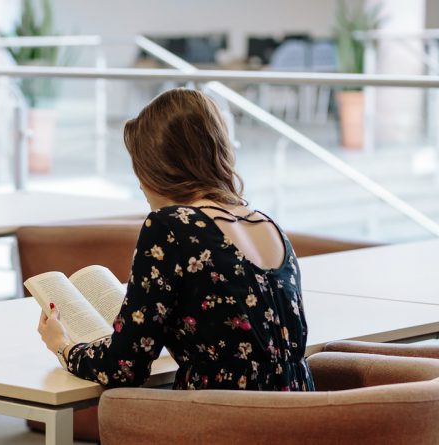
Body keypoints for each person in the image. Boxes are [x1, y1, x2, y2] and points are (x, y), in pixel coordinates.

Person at [38, 88, 314, 392]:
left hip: (228, 418)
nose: (140, 185)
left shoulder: (170, 225)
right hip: (300, 414)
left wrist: (63, 346)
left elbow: (124, 368)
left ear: (157, 166)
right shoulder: (267, 223)